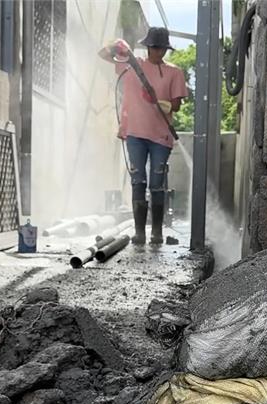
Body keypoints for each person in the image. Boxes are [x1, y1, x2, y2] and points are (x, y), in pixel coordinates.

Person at [98, 28, 189, 245]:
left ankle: (156, 232)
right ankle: (140, 232)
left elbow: (176, 104)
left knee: (157, 183)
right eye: (155, 47)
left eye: (162, 48)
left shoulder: (174, 73)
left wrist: (160, 102)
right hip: (135, 133)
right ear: (148, 47)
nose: (158, 52)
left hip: (161, 136)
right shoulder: (132, 66)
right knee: (138, 180)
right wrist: (116, 45)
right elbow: (102, 55)